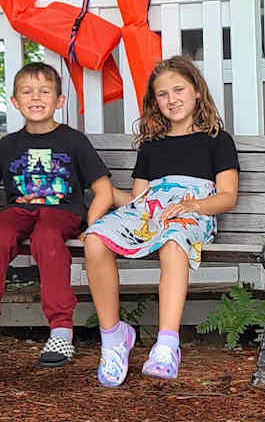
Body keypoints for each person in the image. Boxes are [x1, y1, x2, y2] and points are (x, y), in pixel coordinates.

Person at [83, 53, 239, 384]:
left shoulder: (217, 141)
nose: (172, 100)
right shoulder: (152, 145)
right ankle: (113, 339)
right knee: (95, 239)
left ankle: (167, 344)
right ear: (155, 101)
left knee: (173, 242)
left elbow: (227, 197)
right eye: (163, 94)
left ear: (197, 91)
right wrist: (108, 193)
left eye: (179, 90)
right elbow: (138, 200)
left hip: (192, 214)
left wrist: (192, 206)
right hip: (150, 213)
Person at [0, 61, 116, 370]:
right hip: (18, 212)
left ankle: (61, 330)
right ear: (15, 102)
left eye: (45, 91)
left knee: (46, 236)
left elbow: (104, 191)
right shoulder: (9, 145)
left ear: (59, 101)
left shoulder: (73, 141)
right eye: (27, 92)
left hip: (61, 214)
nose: (36, 98)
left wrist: (92, 227)